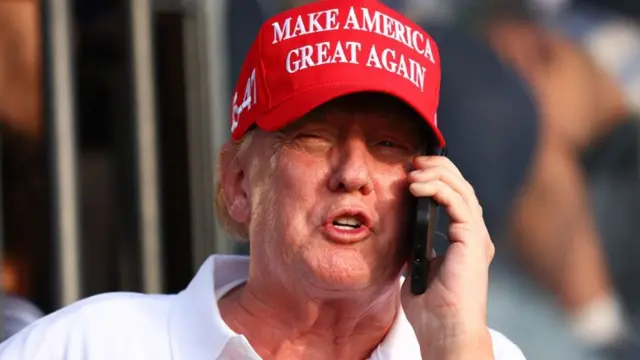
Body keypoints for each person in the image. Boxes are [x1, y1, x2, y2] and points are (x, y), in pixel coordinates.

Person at [0, 0, 525, 358]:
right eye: (314, 138)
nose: (352, 174)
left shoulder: (478, 351)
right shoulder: (91, 344)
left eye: (388, 146)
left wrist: (455, 343)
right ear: (240, 183)